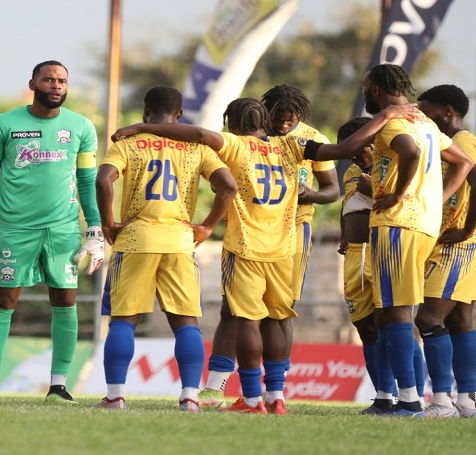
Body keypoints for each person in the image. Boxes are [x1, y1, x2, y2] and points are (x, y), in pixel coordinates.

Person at [112, 96, 419, 414]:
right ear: (264, 121)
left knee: (245, 320)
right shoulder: (293, 145)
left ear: (232, 122)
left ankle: (253, 399)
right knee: (275, 319)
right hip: (285, 248)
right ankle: (276, 396)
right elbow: (345, 149)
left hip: (245, 247)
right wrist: (383, 116)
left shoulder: (234, 145)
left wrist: (141, 126)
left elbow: (201, 136)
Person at [0, 60, 103, 403]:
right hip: (16, 228)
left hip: (63, 229)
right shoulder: (2, 124)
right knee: (4, 298)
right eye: (49, 79)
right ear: (33, 83)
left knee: (65, 299)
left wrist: (94, 230)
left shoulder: (81, 127)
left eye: (62, 81)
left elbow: (86, 181)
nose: (56, 85)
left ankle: (58, 386)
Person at [95, 86, 237, 412]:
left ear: (146, 113)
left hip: (135, 239)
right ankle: (189, 397)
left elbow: (103, 181)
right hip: (179, 241)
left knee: (122, 322)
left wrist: (108, 223)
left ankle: (115, 397)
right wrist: (207, 225)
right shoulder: (195, 147)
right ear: (179, 116)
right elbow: (229, 186)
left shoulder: (128, 143)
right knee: (186, 324)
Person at [200, 85, 340, 407]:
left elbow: (332, 189)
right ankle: (217, 388)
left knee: (277, 314)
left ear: (300, 117)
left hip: (293, 231)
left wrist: (311, 195)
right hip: (255, 228)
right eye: (278, 119)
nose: (284, 125)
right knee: (231, 310)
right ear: (266, 113)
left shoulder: (306, 139)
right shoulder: (257, 138)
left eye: (291, 120)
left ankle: (267, 394)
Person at [360, 64, 473, 417]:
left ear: (375, 88)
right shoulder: (426, 123)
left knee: (396, 312)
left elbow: (409, 153)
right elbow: (463, 163)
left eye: (365, 87)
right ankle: (388, 397)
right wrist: (434, 202)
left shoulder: (395, 121)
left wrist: (397, 194)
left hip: (397, 224)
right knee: (386, 312)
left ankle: (410, 401)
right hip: (424, 224)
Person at [414, 85, 476, 418]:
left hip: (459, 243)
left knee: (428, 317)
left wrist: (466, 229)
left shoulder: (462, 142)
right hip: (459, 241)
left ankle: (442, 401)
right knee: (460, 319)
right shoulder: (452, 142)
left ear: (447, 111)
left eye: (426, 110)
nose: (422, 116)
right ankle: (469, 401)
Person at [335, 117, 400, 415]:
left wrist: (371, 176)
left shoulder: (389, 165)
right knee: (364, 326)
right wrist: (343, 234)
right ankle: (383, 396)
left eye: (356, 148)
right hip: (353, 255)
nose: (352, 155)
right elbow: (347, 204)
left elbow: (400, 203)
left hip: (381, 249)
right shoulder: (351, 170)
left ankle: (407, 394)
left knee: (392, 322)